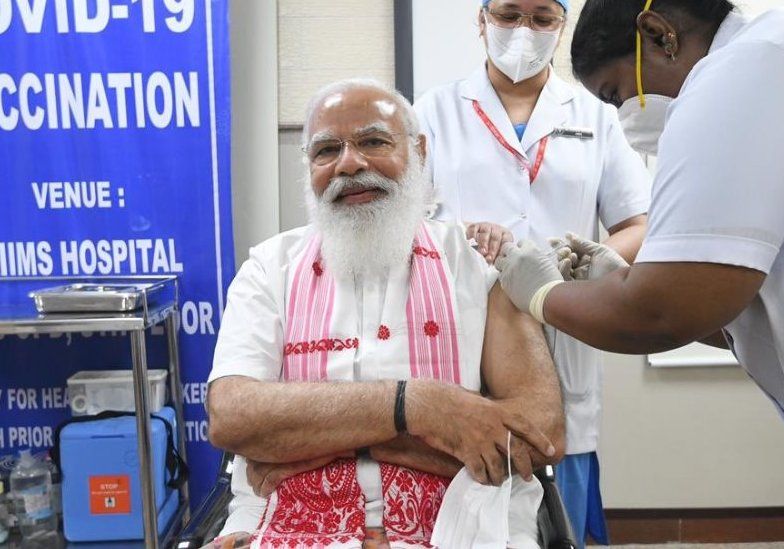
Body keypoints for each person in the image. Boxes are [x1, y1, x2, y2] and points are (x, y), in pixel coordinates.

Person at [494, 0, 784, 547]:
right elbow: (732, 315)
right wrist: (614, 278)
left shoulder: (747, 72)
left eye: (616, 94)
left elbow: (661, 312)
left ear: (659, 34)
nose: (625, 115)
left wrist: (542, 293)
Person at [204, 79, 566, 548]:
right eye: (326, 151)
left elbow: (539, 433)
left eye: (373, 141)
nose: (349, 164)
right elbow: (232, 417)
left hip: (460, 523)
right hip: (292, 524)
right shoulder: (269, 269)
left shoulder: (479, 263)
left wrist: (314, 439)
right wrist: (421, 407)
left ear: (418, 151)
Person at [414, 1, 651, 543]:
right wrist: (461, 240)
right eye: (509, 14)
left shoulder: (594, 114)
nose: (525, 30)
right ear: (481, 20)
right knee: (468, 491)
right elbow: (406, 224)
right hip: (465, 325)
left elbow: (638, 222)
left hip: (565, 322)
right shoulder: (434, 111)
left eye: (543, 18)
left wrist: (587, 259)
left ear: (561, 28)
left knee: (557, 489)